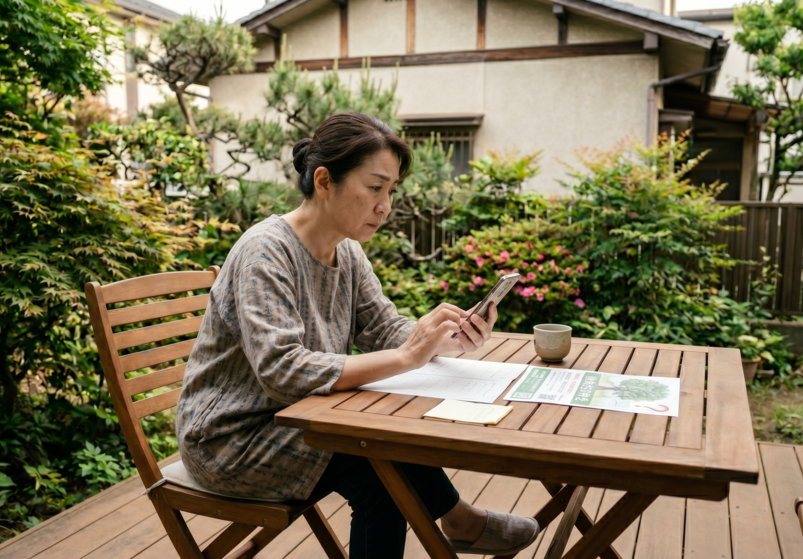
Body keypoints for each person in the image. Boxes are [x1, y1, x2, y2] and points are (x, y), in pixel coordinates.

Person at [176, 112, 539, 557]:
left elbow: (386, 330)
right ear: (325, 181)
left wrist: (443, 339)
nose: (385, 205)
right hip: (232, 440)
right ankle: (460, 519)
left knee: (387, 446)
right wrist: (410, 355)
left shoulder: (346, 253)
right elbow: (283, 371)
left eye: (391, 191)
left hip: (302, 419)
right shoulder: (265, 252)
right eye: (374, 187)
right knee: (381, 468)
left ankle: (461, 520)